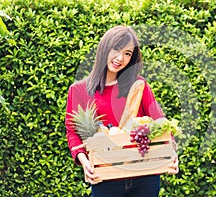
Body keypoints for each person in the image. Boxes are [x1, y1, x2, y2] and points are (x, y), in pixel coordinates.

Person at [65, 25, 179, 197]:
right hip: (106, 175)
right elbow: (72, 132)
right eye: (116, 49)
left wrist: (171, 153)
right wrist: (85, 162)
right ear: (105, 48)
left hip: (144, 173)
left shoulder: (138, 85)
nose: (120, 58)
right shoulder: (79, 90)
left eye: (127, 53)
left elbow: (160, 121)